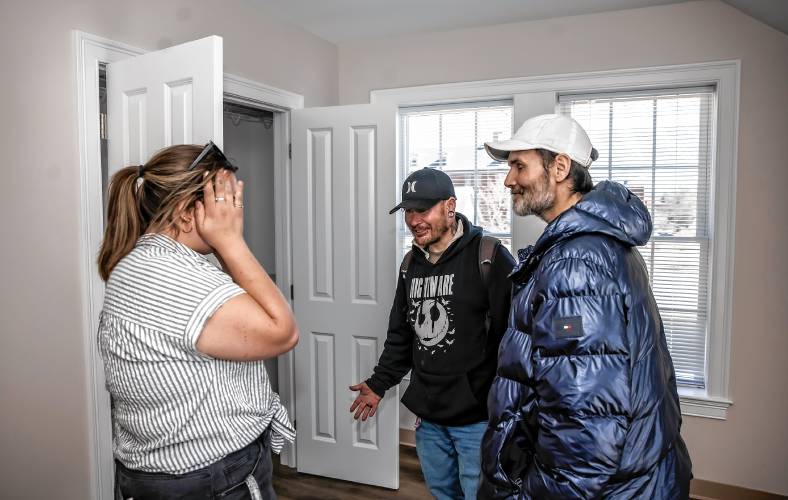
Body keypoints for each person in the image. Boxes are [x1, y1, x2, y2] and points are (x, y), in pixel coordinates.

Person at [479, 114, 692, 499]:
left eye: (518, 165)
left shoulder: (577, 262)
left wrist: (533, 492)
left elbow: (583, 421)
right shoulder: (594, 244)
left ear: (559, 167)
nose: (509, 180)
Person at [97, 142, 298, 499]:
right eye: (226, 201)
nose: (236, 211)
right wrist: (231, 242)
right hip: (212, 480)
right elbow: (283, 332)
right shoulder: (178, 278)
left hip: (159, 475)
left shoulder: (136, 264)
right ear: (187, 213)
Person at [349, 167, 515, 500]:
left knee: (479, 495)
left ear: (450, 206)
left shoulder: (489, 256)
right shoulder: (411, 264)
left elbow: (516, 337)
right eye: (408, 211)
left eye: (422, 210)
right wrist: (379, 384)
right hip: (429, 416)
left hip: (477, 418)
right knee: (442, 493)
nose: (413, 220)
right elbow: (401, 334)